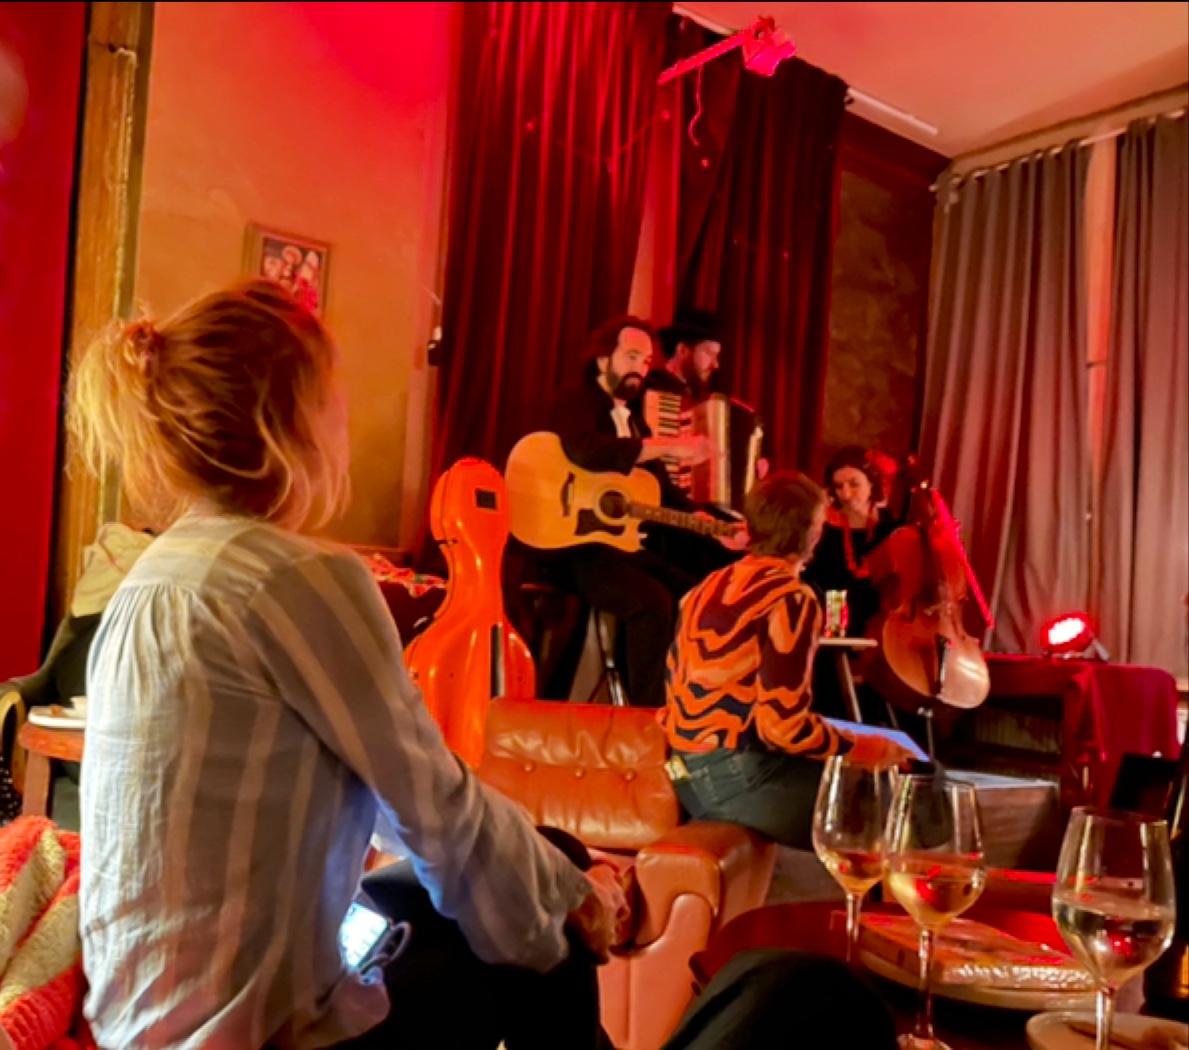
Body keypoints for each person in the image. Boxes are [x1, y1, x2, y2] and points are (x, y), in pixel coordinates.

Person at [67, 280, 627, 1050]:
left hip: (137, 1031)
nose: (346, 416)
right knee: (549, 917)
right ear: (289, 419)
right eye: (334, 392)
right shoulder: (296, 575)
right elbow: (436, 810)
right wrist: (577, 899)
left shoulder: (152, 575)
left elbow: (406, 810)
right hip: (253, 1037)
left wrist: (548, 875)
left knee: (527, 871)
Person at [661, 471, 915, 851]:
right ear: (813, 531)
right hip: (742, 778)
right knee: (908, 800)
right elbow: (782, 728)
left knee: (881, 766)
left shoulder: (706, 587)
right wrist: (864, 748)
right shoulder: (790, 598)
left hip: (686, 774)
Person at [542, 316, 744, 709]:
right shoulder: (575, 402)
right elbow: (585, 449)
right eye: (632, 356)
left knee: (694, 595)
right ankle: (647, 716)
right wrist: (668, 446)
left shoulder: (634, 422)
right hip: (573, 549)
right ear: (603, 359)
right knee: (651, 603)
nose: (640, 367)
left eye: (647, 361)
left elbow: (662, 493)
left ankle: (693, 705)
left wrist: (713, 527)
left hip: (620, 550)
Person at [802, 445, 900, 641]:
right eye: (839, 487)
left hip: (882, 624)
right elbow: (811, 579)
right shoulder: (823, 527)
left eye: (854, 484)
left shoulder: (892, 527)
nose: (846, 494)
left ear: (872, 483)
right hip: (833, 623)